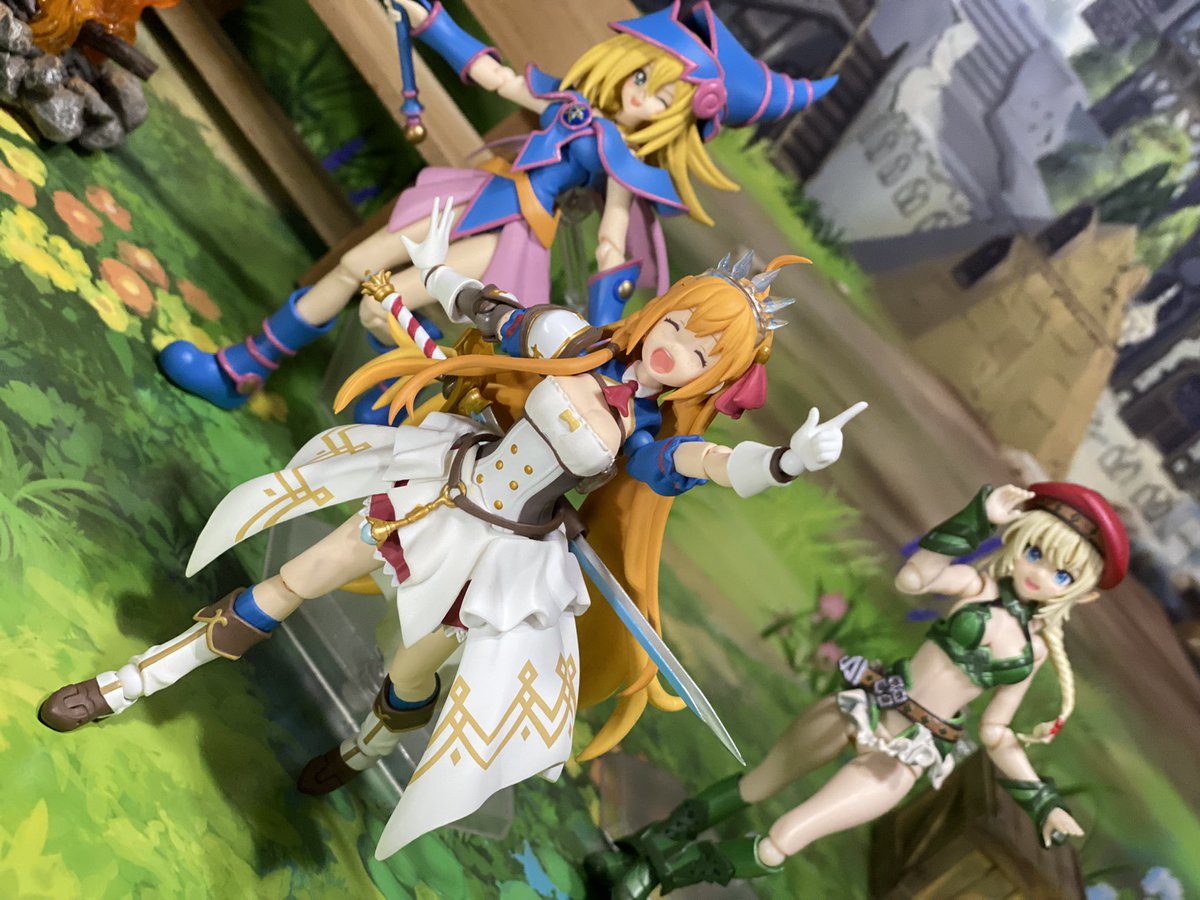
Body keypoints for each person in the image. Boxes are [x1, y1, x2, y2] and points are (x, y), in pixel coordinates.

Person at [40, 201, 867, 860]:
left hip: (496, 556)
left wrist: (785, 462)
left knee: (410, 670)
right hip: (437, 483)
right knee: (294, 579)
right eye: (680, 325)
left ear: (714, 378)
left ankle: (364, 752)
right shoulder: (571, 341)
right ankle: (128, 684)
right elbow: (495, 312)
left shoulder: (647, 437)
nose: (676, 349)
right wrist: (435, 267)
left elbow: (705, 465)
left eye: (701, 353)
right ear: (662, 311)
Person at [155, 0, 836, 421]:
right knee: (355, 265)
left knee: (387, 303)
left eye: (662, 98)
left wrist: (605, 332)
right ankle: (242, 368)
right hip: (474, 197)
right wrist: (432, 21)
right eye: (642, 79)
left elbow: (612, 240)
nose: (640, 97)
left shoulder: (624, 163)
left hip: (514, 235)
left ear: (681, 121)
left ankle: (394, 407)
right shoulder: (572, 106)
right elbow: (497, 76)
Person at [587, 481, 1130, 897]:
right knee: (758, 783)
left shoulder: (1034, 654)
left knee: (783, 840)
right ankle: (643, 851)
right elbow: (914, 578)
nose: (1040, 575)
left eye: (1062, 575)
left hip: (907, 753)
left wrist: (1042, 803)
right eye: (1036, 553)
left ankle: (657, 876)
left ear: (1082, 595)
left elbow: (996, 731)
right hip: (865, 704)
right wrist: (977, 515)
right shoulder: (975, 586)